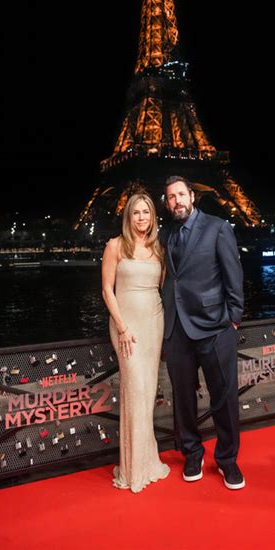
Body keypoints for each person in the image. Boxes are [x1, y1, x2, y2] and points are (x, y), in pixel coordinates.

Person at [160, 175, 245, 490]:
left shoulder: (217, 227)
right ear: (167, 203)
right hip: (177, 329)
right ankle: (192, 453)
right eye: (171, 197)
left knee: (223, 397)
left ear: (192, 196)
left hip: (214, 328)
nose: (177, 201)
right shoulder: (165, 233)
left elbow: (233, 275)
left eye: (181, 194)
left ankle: (227, 460)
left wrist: (233, 319)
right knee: (183, 400)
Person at [101, 192, 170, 493]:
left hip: (153, 324)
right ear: (128, 217)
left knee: (146, 393)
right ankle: (132, 468)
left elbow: (161, 288)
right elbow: (107, 290)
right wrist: (122, 326)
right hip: (126, 327)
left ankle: (146, 460)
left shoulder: (159, 249)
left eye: (146, 212)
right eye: (136, 213)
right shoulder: (115, 246)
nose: (141, 218)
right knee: (135, 390)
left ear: (153, 216)